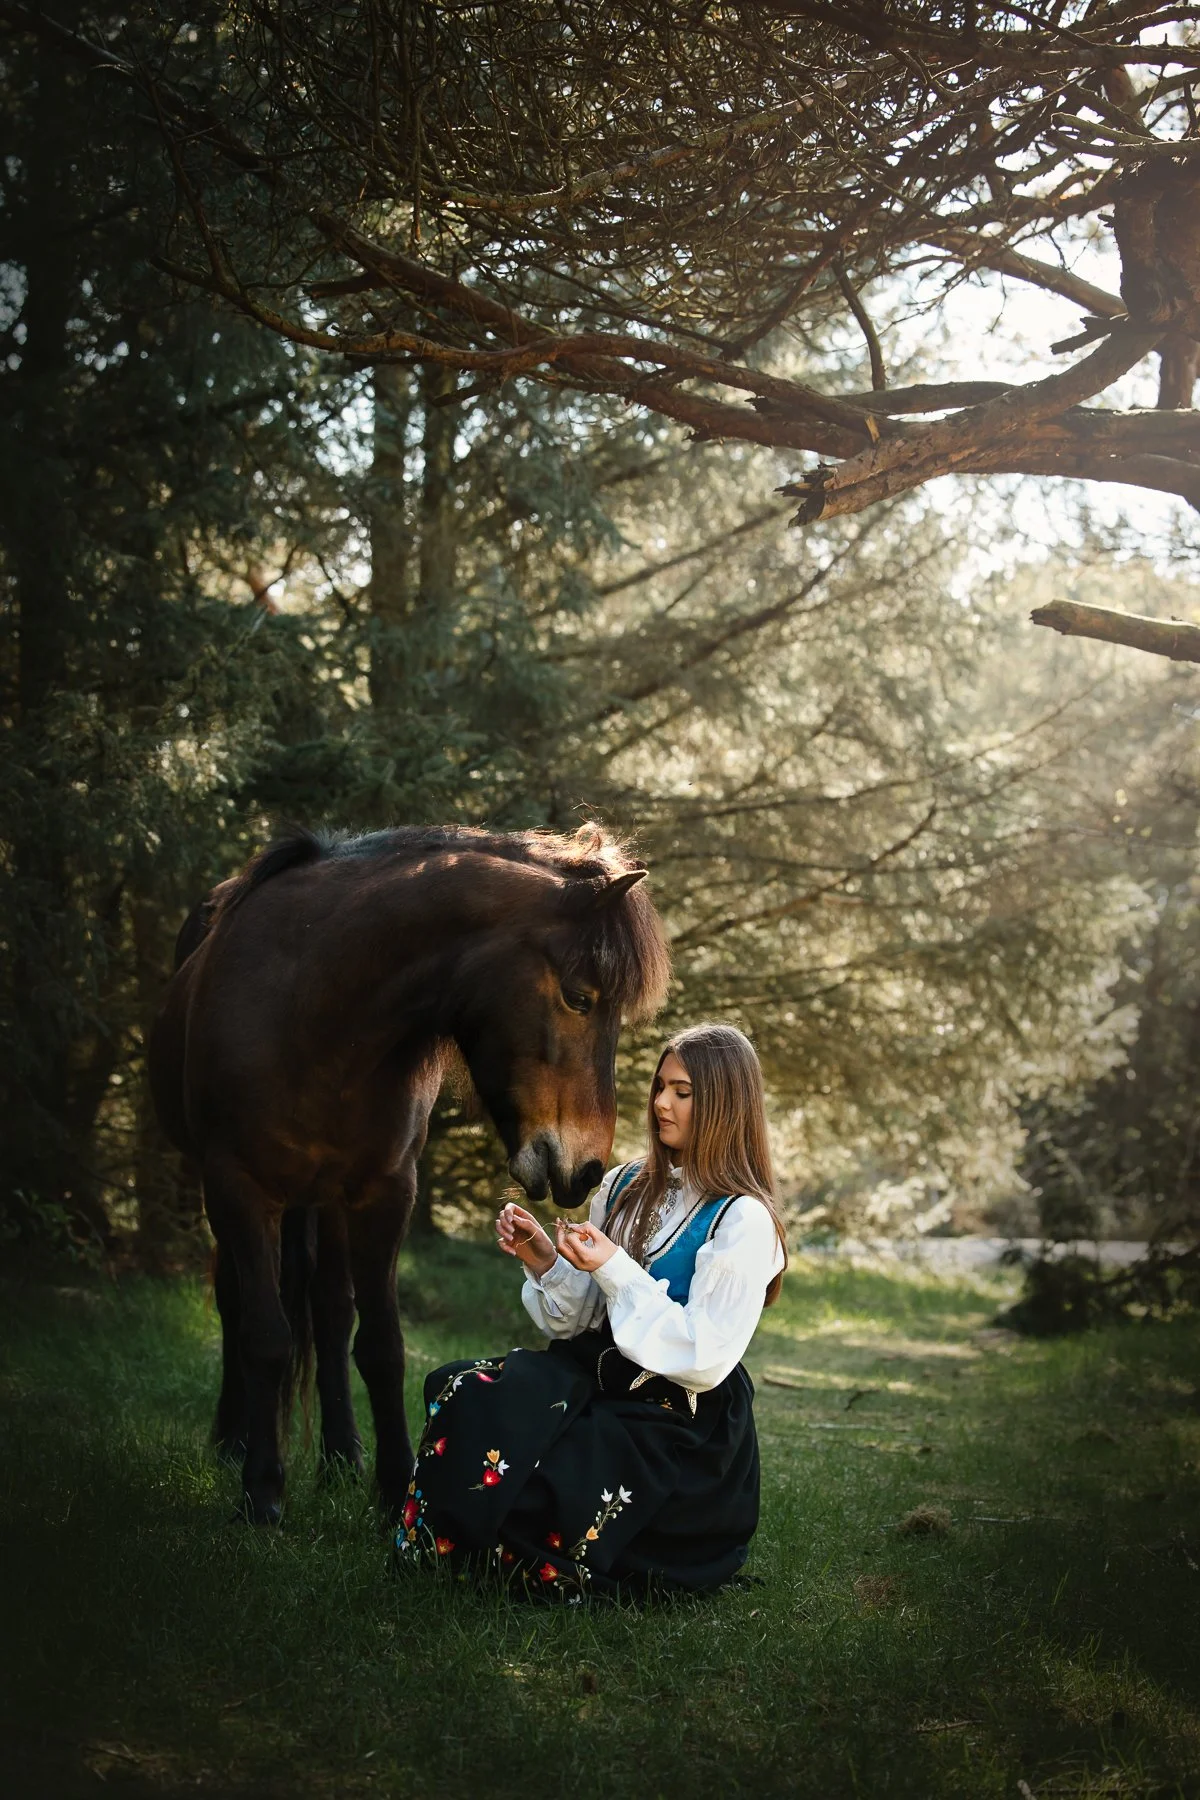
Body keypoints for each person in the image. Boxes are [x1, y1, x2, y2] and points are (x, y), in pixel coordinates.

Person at [395, 1022, 787, 1600]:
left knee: (550, 1486)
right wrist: (545, 1260)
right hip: (597, 1373)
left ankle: (494, 1546)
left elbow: (703, 1357)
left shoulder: (743, 1221)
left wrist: (615, 1267)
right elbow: (580, 1317)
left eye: (683, 1092)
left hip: (676, 1415)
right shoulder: (626, 1184)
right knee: (463, 1391)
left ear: (726, 1102)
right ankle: (446, 1543)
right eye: (660, 1086)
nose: (660, 1103)